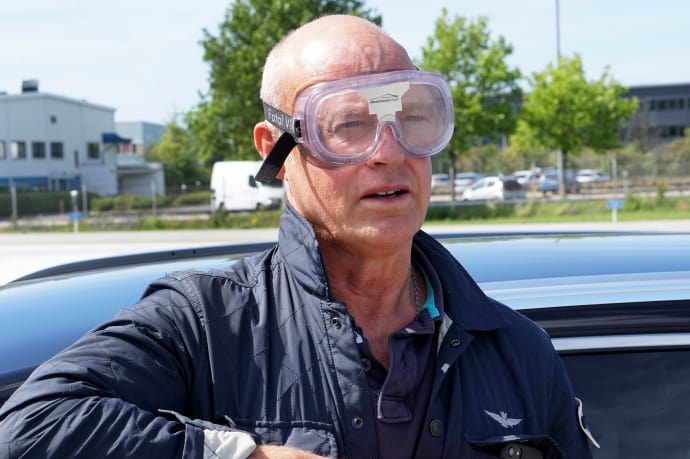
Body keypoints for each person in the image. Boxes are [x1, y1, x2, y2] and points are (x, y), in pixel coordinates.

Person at [0, 14, 596, 458]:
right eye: (348, 124)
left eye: (412, 117)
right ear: (277, 151)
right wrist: (241, 456)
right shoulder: (205, 326)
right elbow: (29, 426)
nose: (389, 152)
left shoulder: (517, 352)